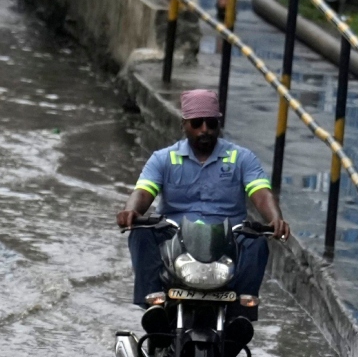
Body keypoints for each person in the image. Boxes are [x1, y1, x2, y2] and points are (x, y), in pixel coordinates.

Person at [116, 89, 289, 316]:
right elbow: (143, 191)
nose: (204, 130)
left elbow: (262, 193)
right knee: (140, 233)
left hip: (228, 237)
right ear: (184, 124)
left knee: (257, 243)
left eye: (210, 123)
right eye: (197, 123)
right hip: (175, 236)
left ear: (219, 123)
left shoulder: (242, 157)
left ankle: (241, 312)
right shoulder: (163, 158)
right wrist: (130, 211)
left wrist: (275, 219)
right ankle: (153, 304)